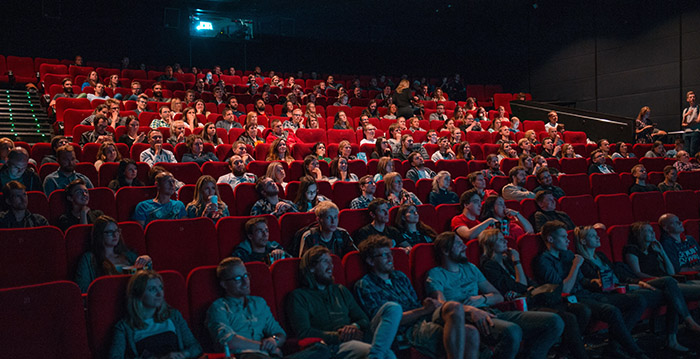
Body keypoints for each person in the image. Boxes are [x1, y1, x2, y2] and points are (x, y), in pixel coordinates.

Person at [426, 231, 564, 359]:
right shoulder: (436, 274)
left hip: (491, 311)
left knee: (554, 321)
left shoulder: (470, 268)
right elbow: (441, 306)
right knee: (512, 331)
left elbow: (498, 296)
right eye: (458, 244)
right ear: (445, 250)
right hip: (467, 319)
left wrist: (482, 298)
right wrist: (471, 310)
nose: (464, 247)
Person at [576, 225, 700, 353]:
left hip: (629, 286)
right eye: (592, 235)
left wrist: (639, 283)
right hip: (619, 292)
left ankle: (676, 336)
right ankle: (681, 330)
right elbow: (601, 286)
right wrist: (634, 285)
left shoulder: (601, 256)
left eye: (596, 234)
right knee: (670, 288)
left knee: (671, 290)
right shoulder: (582, 262)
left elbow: (621, 276)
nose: (597, 237)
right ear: (583, 241)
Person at [535, 221, 649, 359]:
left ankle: (614, 346)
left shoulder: (567, 255)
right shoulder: (543, 261)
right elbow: (564, 289)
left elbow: (582, 281)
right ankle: (637, 353)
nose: (567, 240)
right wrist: (575, 266)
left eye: (567, 236)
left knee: (637, 300)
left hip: (588, 294)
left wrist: (595, 282)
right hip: (572, 300)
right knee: (611, 310)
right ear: (550, 239)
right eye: (563, 237)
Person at [354, 236, 480, 359]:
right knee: (469, 334)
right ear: (370, 261)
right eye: (384, 255)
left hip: (423, 318)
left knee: (456, 309)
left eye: (390, 254)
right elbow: (386, 322)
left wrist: (426, 305)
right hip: (406, 330)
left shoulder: (399, 277)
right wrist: (424, 310)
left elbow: (415, 304)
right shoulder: (365, 285)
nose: (390, 258)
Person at [479, 228, 590, 359]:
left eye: (504, 238)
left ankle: (562, 353)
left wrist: (528, 286)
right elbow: (521, 286)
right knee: (568, 318)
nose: (505, 241)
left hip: (534, 298)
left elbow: (528, 282)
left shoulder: (507, 261)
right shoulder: (489, 265)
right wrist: (517, 262)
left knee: (581, 309)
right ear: (490, 244)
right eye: (500, 239)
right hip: (522, 305)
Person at [288, 246, 400, 359]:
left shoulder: (340, 290)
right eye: (325, 261)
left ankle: (375, 356)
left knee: (392, 308)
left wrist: (353, 326)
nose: (331, 266)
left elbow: (364, 319)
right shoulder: (299, 296)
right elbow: (304, 332)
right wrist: (340, 336)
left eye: (331, 262)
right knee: (388, 355)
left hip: (360, 335)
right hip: (336, 345)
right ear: (311, 267)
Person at [206, 257, 292, 358]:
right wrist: (263, 347)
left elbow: (280, 333)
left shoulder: (259, 303)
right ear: (224, 284)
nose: (245, 282)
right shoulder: (219, 307)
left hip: (267, 356)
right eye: (238, 278)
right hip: (243, 356)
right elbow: (228, 341)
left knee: (314, 350)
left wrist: (274, 340)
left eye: (246, 275)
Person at [109, 270, 203, 359]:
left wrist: (183, 354)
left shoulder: (173, 316)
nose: (160, 293)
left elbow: (196, 347)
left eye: (161, 288)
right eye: (152, 289)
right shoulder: (124, 327)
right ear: (138, 294)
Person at [74, 215, 152, 293]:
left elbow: (146, 281)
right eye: (110, 232)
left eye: (117, 231)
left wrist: (147, 261)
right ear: (100, 235)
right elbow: (83, 289)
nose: (115, 235)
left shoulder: (129, 255)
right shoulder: (88, 259)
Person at [682, 91, 700, 158]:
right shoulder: (686, 110)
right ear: (688, 99)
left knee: (693, 150)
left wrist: (688, 124)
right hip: (686, 132)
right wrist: (686, 115)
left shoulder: (698, 108)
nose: (692, 98)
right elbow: (683, 124)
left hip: (695, 132)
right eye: (690, 97)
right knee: (686, 151)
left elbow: (698, 120)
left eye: (694, 97)